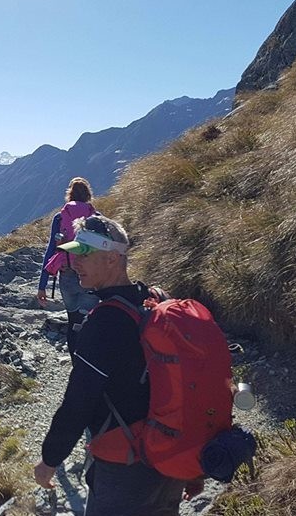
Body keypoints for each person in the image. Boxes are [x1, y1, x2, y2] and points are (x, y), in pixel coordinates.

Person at [33, 214, 199, 516]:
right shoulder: (153, 302)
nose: (73, 263)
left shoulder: (105, 321)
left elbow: (78, 403)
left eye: (84, 254)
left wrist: (50, 460)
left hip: (126, 466)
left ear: (112, 258)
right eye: (73, 254)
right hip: (169, 454)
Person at [37, 177, 99, 356]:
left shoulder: (60, 217)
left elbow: (51, 251)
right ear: (88, 195)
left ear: (69, 195)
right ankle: (89, 363)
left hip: (67, 276)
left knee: (73, 322)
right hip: (90, 277)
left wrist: (42, 287)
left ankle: (76, 364)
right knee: (88, 321)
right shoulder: (96, 217)